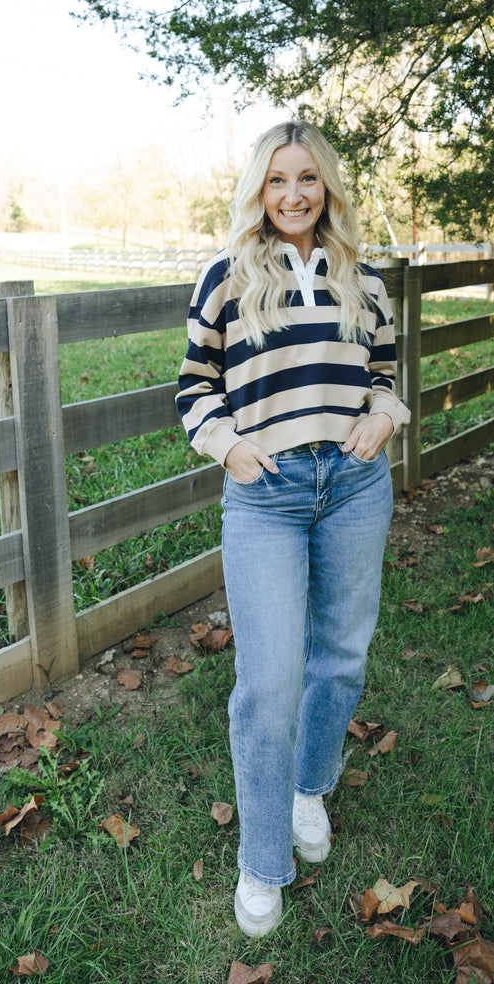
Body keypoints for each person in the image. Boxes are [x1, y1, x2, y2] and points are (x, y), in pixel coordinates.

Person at [175, 120, 410, 937]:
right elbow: (195, 387)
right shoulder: (226, 278)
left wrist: (386, 415)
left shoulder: (365, 280)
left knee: (341, 656)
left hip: (354, 484)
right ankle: (262, 858)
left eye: (307, 179)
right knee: (268, 683)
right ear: (257, 191)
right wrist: (228, 446)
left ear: (328, 188)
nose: (293, 195)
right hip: (267, 493)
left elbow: (384, 374)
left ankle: (311, 786)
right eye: (278, 181)